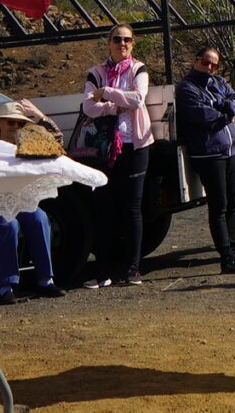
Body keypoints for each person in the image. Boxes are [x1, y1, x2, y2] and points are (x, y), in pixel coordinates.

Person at [78, 25, 154, 287]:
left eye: (127, 40)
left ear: (133, 44)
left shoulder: (138, 69)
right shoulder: (96, 72)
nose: (122, 44)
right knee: (103, 209)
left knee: (132, 208)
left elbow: (137, 100)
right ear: (108, 43)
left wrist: (107, 94)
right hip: (103, 149)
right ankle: (102, 272)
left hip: (135, 146)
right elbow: (88, 105)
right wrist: (115, 106)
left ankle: (133, 268)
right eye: (117, 39)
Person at [176, 41, 235, 274]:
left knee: (233, 205)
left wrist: (224, 105)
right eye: (205, 62)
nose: (209, 67)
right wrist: (225, 110)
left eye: (214, 65)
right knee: (219, 206)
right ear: (196, 61)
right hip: (208, 154)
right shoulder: (186, 87)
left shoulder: (218, 82)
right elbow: (201, 115)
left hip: (228, 150)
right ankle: (226, 258)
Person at [0, 103, 65, 302]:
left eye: (20, 124)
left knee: (39, 217)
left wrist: (39, 116)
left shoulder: (28, 147)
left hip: (19, 203)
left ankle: (45, 280)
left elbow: (59, 142)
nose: (15, 127)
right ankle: (6, 287)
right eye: (11, 122)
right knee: (10, 224)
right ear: (0, 124)